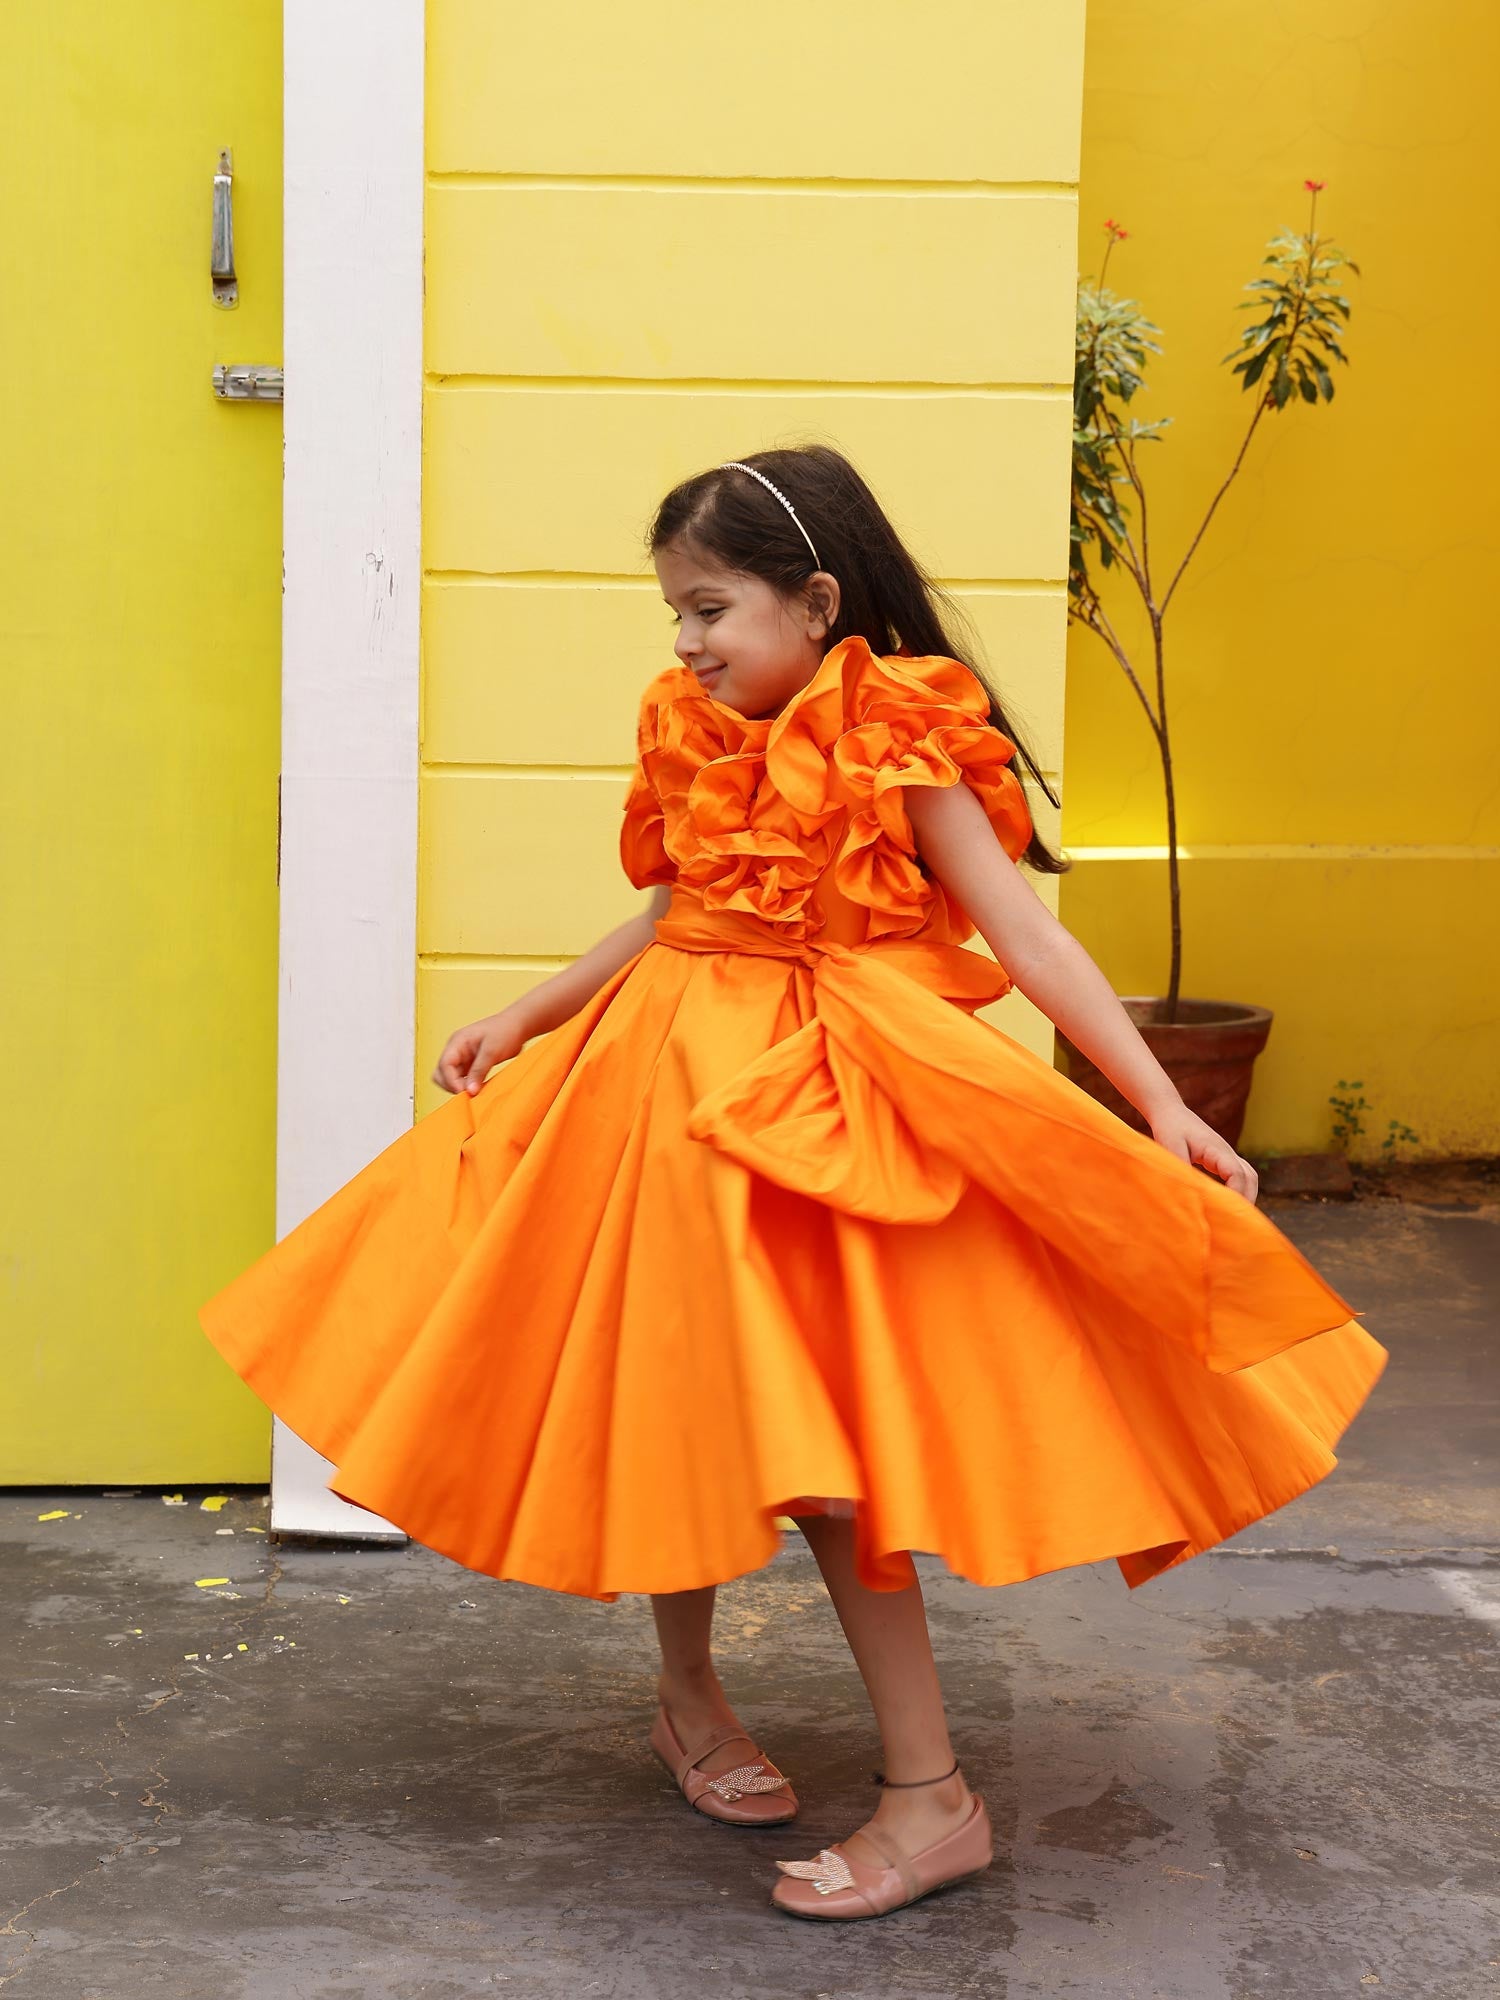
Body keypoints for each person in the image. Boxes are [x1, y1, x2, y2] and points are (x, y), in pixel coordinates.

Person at [199, 443, 1388, 1923]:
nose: (688, 644)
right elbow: (677, 912)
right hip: (661, 1094)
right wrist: (536, 1008)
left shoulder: (898, 729)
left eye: (711, 609)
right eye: (674, 618)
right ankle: (691, 1700)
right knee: (671, 1392)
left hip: (828, 1108)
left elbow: (1027, 939)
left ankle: (927, 1797)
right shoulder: (691, 724)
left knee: (836, 1461)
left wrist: (1156, 1103)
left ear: (815, 601)